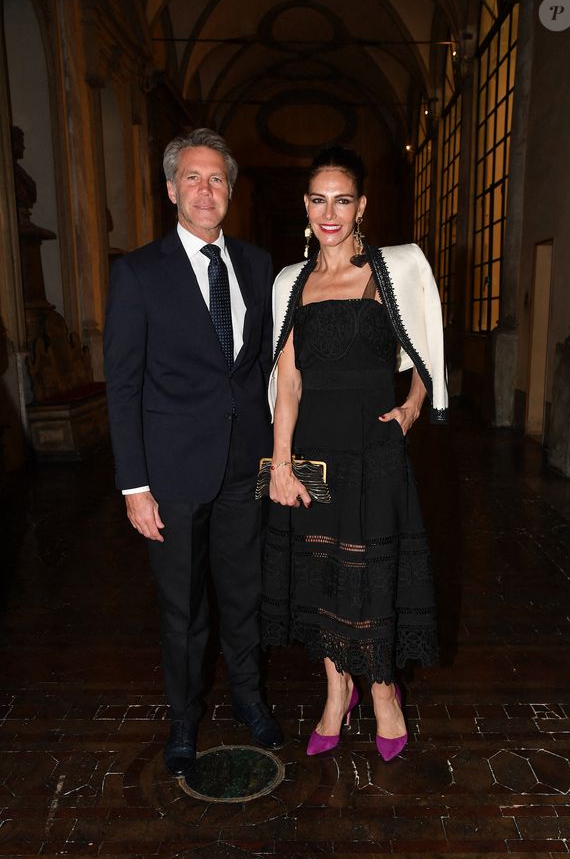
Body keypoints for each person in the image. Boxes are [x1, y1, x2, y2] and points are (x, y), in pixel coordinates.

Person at [104, 128, 283, 778]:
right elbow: (122, 385)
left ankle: (248, 698)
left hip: (245, 466)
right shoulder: (137, 272)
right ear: (171, 186)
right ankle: (183, 719)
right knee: (183, 607)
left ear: (229, 191)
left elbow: (262, 367)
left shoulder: (259, 266)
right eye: (193, 178)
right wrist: (133, 485)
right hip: (171, 474)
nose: (205, 191)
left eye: (217, 180)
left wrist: (278, 453)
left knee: (244, 594)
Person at [262, 146, 447, 761]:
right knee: (320, 577)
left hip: (374, 451)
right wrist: (282, 463)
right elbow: (287, 381)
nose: (330, 211)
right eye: (319, 199)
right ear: (306, 206)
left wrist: (413, 408)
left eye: (343, 199)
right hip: (315, 451)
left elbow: (427, 355)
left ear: (362, 206)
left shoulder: (392, 271)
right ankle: (336, 692)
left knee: (373, 575)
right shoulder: (292, 282)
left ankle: (384, 691)